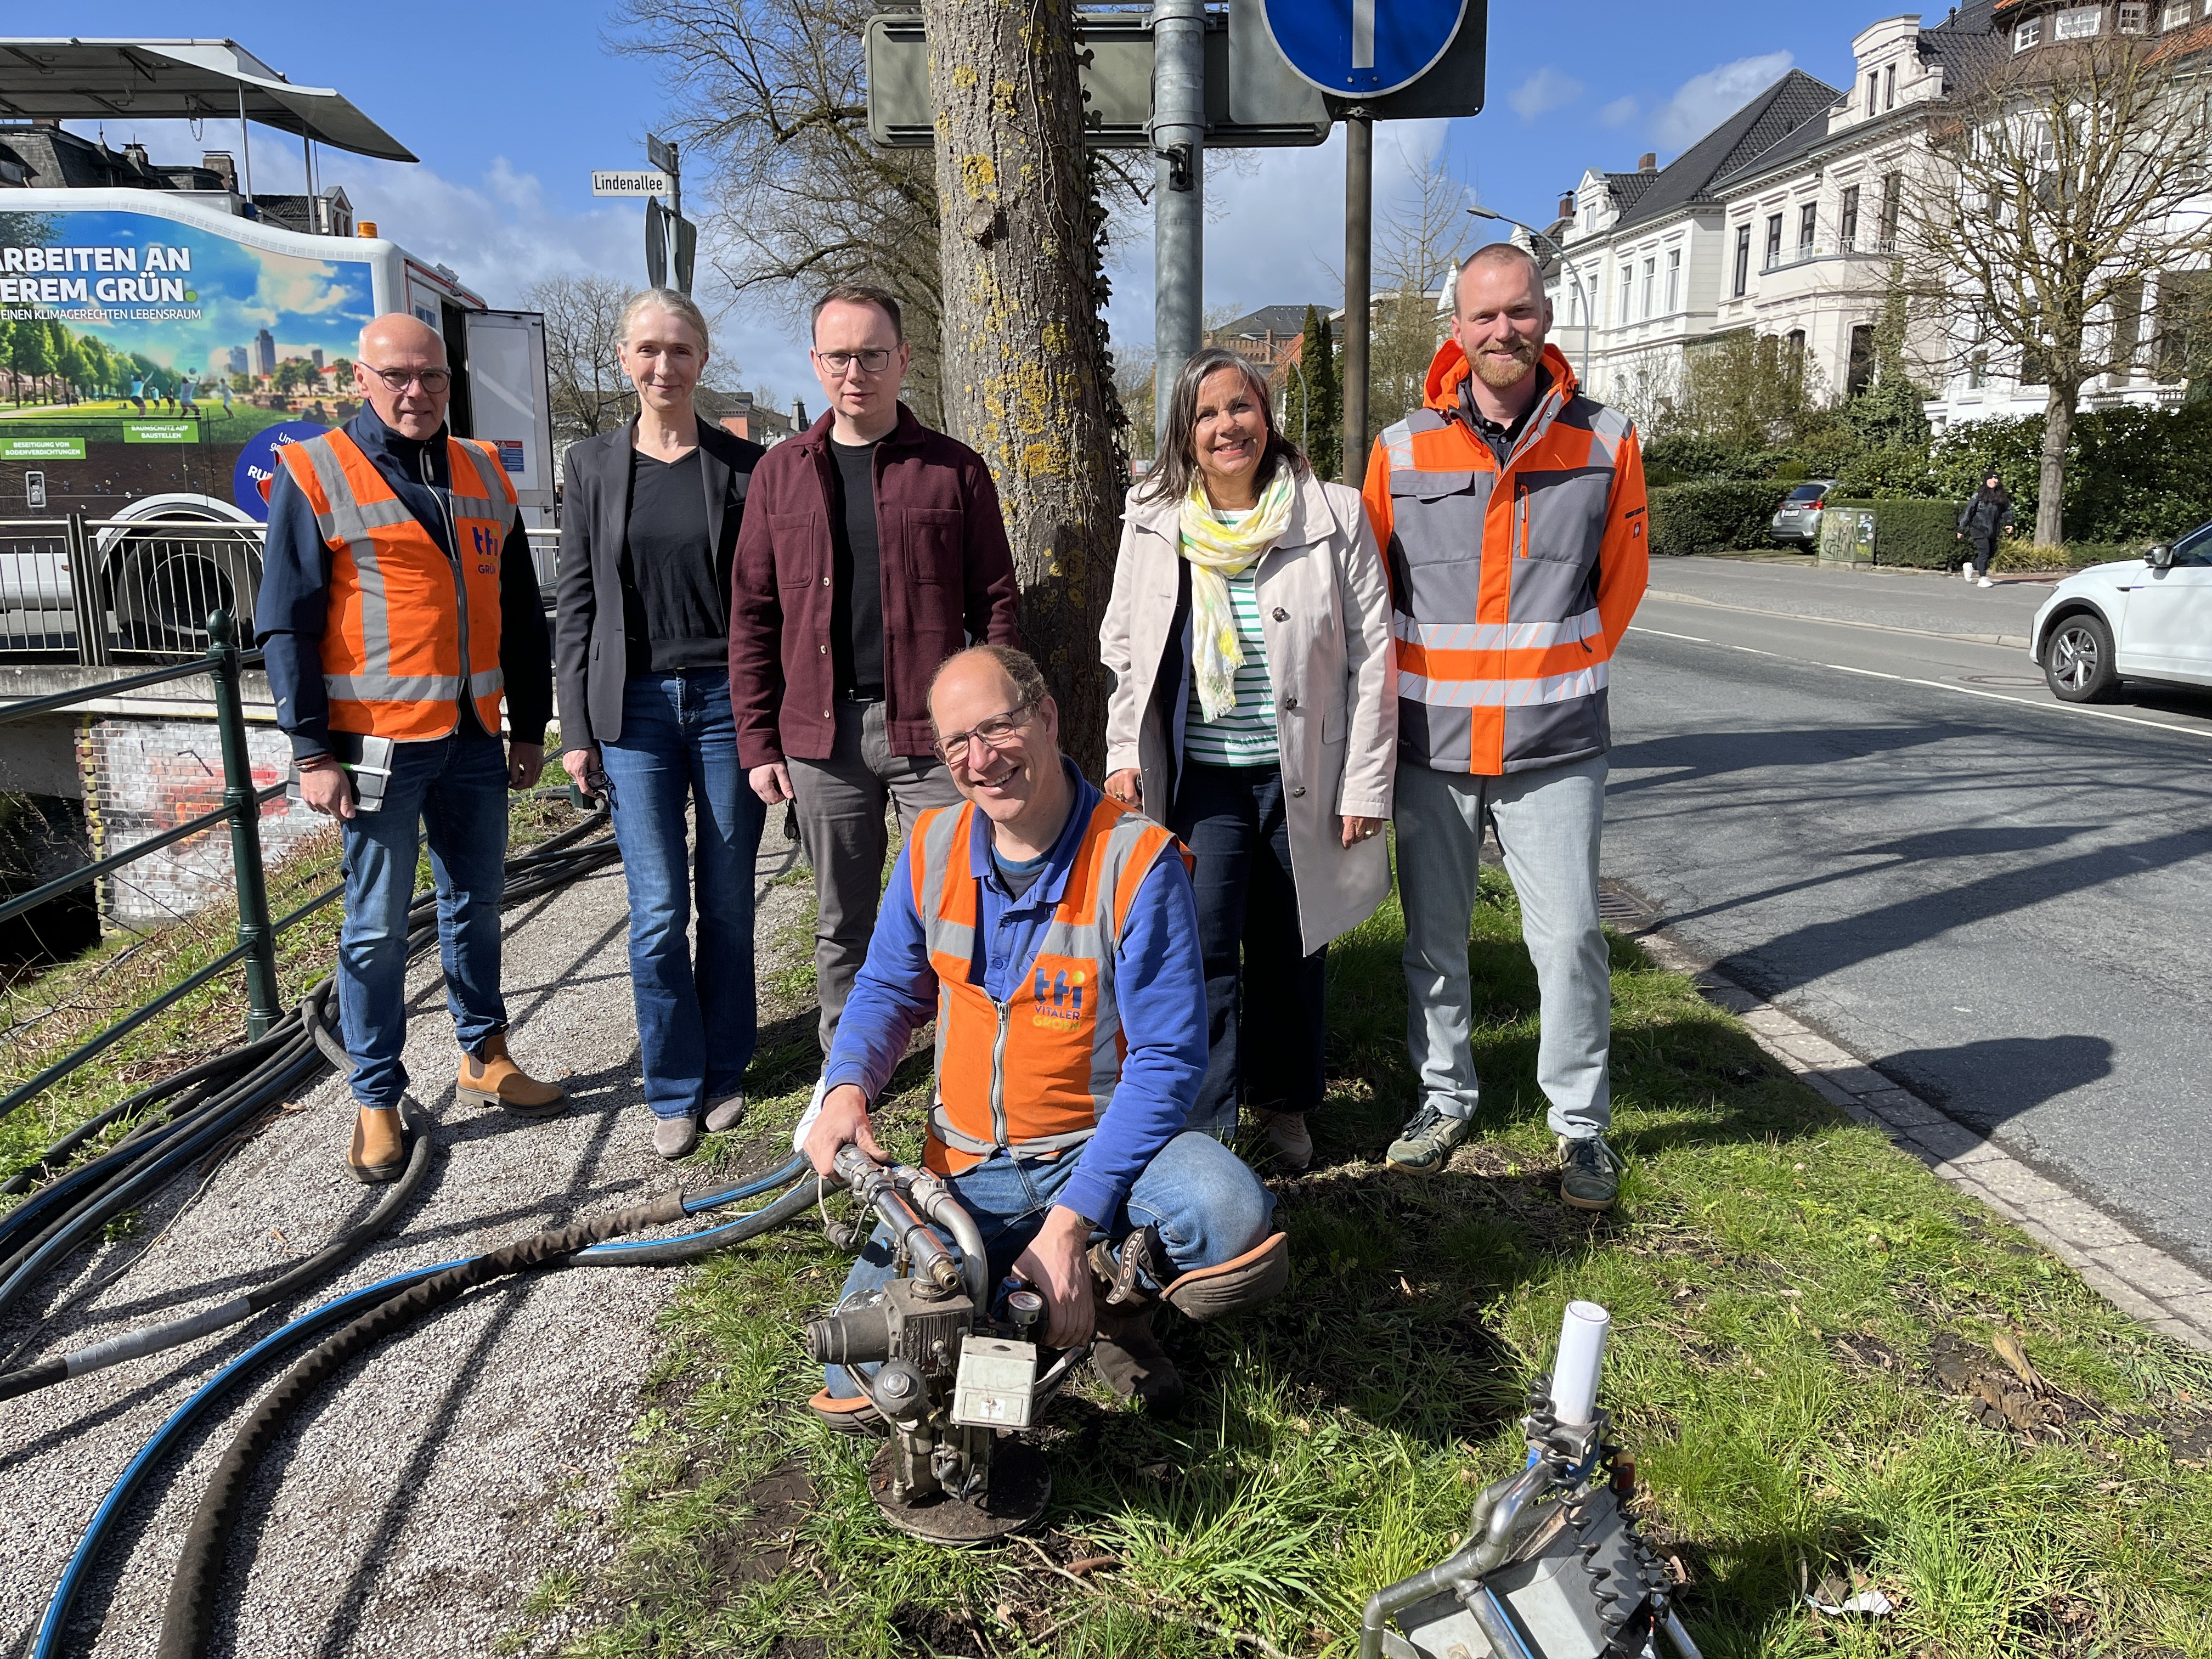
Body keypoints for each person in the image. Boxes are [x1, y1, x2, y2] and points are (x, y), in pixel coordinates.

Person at [798, 646, 1287, 1417]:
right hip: (968, 1168)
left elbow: (1167, 1062)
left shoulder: (1136, 860)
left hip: (1105, 1149)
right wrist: (846, 1087)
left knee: (1228, 1214)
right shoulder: (932, 847)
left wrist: (1070, 1223)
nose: (981, 759)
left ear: (1049, 717)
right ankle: (1025, 1312)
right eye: (957, 743)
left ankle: (1107, 1291)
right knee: (854, 1378)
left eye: (998, 727)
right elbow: (888, 987)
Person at [1361, 243, 1649, 1211]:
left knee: (1569, 941)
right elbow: (1373, 592)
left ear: (1545, 318)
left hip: (1552, 741)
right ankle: (1443, 1099)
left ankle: (1581, 1127)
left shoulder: (1605, 440)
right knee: (1434, 941)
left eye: (1519, 312)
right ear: (1457, 327)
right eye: (1484, 315)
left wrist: (1557, 668)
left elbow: (1621, 584)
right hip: (1433, 743)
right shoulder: (1402, 449)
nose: (1502, 330)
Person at [258, 313, 562, 1182]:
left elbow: (518, 611)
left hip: (473, 735)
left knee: (477, 903)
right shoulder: (317, 470)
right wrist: (311, 750)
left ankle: (484, 1053)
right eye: (397, 376)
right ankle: (377, 1097)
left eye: (431, 376)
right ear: (362, 380)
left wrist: (528, 725)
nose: (416, 392)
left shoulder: (481, 470)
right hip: (374, 745)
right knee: (376, 928)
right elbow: (286, 622)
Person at [1099, 347, 1395, 1170]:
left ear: (1267, 415)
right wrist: (1123, 752)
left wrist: (1367, 782)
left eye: (1241, 407)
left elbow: (1374, 655)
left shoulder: (1332, 513)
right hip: (1202, 778)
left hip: (1306, 774)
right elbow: (1123, 647)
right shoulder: (1154, 519)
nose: (1226, 426)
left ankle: (1283, 1101)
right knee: (1198, 947)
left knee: (1295, 945)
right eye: (1207, 414)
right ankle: (1205, 1121)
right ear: (1184, 432)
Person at [729, 283, 1020, 1056]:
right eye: (838, 357)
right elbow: (753, 617)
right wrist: (758, 743)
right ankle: (848, 1074)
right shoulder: (779, 475)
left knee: (959, 909)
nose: (854, 372)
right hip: (821, 739)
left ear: (903, 359)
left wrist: (995, 724)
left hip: (934, 737)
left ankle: (964, 1072)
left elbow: (996, 603)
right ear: (815, 363)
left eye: (871, 354)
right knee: (841, 921)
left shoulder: (953, 471)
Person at [556, 290, 768, 1159]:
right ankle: (673, 1084)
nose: (663, 365)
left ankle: (724, 1068)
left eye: (679, 350)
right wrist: (575, 728)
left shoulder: (744, 466)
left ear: (702, 360)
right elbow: (576, 602)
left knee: (726, 901)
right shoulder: (592, 466)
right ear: (623, 359)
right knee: (655, 910)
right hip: (633, 710)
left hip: (726, 704)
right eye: (647, 349)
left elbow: (771, 600)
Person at [1956, 473, 2015, 589]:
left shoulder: (2002, 497)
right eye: (1991, 478)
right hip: (1978, 528)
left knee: (1991, 553)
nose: (1994, 480)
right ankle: (1983, 578)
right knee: (1984, 551)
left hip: (1993, 530)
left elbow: (2007, 511)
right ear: (1986, 481)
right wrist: (1961, 528)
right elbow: (1969, 512)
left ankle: (1971, 566)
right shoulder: (1978, 496)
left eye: (1996, 478)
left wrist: (2009, 523)